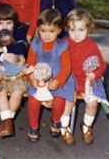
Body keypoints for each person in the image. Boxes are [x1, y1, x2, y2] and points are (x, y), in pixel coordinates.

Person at [59, 9, 109, 145]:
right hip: (68, 79)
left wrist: (95, 74)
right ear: (66, 29)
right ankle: (64, 127)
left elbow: (102, 65)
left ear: (89, 29)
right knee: (69, 102)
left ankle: (86, 125)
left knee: (92, 103)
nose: (76, 34)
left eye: (81, 30)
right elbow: (56, 62)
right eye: (72, 30)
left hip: (86, 80)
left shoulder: (91, 46)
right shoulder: (63, 43)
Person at [26, 9, 75, 143]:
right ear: (38, 30)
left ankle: (56, 121)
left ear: (59, 30)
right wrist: (31, 77)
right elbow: (29, 64)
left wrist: (58, 81)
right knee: (32, 101)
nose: (47, 35)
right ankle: (34, 127)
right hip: (38, 77)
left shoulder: (62, 45)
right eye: (43, 31)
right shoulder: (35, 44)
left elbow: (66, 67)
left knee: (59, 101)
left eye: (51, 31)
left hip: (57, 77)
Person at [0, 4, 29, 139]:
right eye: (0, 23)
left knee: (18, 92)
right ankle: (8, 122)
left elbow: (22, 48)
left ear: (14, 23)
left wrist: (2, 50)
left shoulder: (18, 33)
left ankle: (6, 121)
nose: (5, 26)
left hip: (17, 72)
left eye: (8, 22)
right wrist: (2, 56)